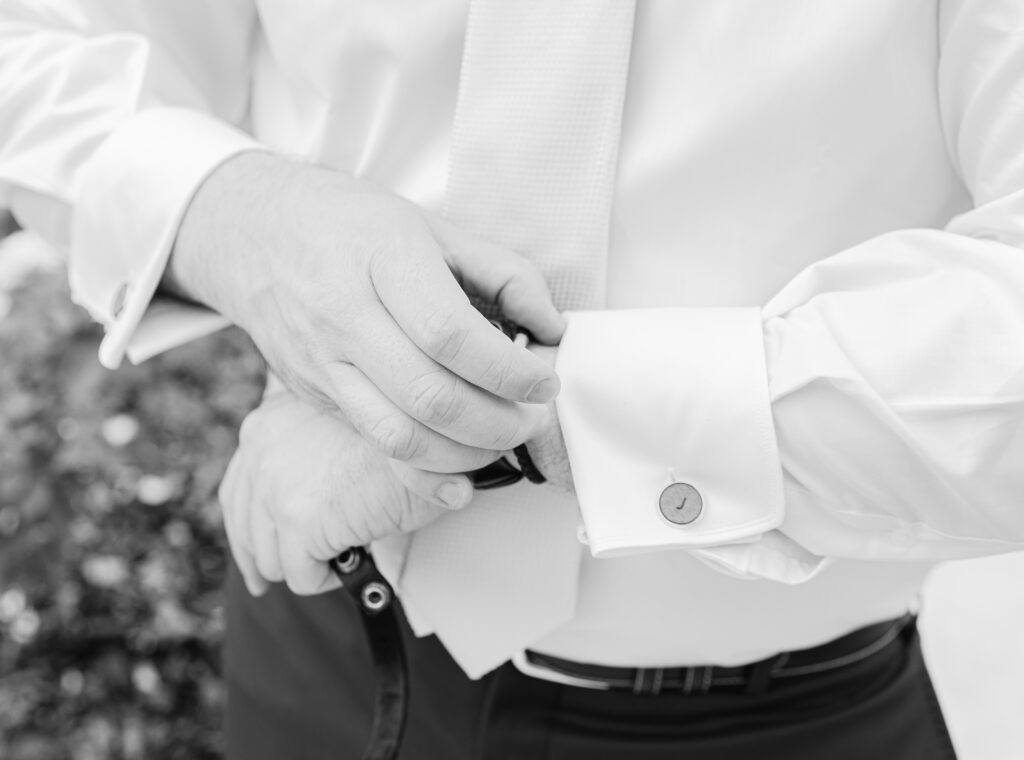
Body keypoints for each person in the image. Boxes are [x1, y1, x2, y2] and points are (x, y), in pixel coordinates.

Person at [2, 1, 1023, 757]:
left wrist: (532, 414)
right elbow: (37, 47)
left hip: (779, 721)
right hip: (318, 627)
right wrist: (238, 214)